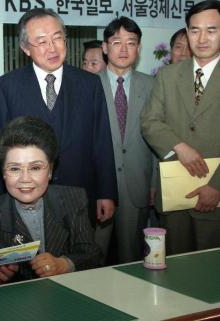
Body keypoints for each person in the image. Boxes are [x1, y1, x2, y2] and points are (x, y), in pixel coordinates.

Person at [0, 8, 117, 228]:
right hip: (26, 195)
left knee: (79, 259)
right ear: (25, 48)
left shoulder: (89, 84)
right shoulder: (6, 87)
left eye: (57, 38)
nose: (52, 48)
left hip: (80, 192)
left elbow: (102, 140)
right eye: (41, 41)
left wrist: (106, 192)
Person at [0, 116, 102, 282]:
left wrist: (64, 264)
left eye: (35, 168)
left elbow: (93, 256)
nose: (25, 179)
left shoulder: (74, 200)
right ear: (3, 173)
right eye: (14, 168)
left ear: (50, 171)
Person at [141, 0, 220, 255]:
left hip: (215, 196)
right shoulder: (168, 75)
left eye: (212, 30)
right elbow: (149, 121)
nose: (202, 38)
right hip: (176, 195)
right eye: (195, 30)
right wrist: (179, 146)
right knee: (176, 271)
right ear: (187, 33)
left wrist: (217, 186)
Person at [96, 17, 156, 263]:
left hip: (138, 184)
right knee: (93, 256)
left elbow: (157, 141)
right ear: (105, 47)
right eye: (116, 42)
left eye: (130, 43)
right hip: (99, 187)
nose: (123, 49)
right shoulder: (88, 85)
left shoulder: (153, 85)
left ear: (139, 48)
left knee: (132, 256)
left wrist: (154, 182)